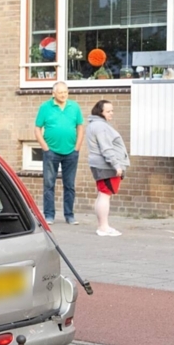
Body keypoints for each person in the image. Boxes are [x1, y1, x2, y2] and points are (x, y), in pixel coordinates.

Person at [34, 81, 85, 224]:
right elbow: (37, 128)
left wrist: (77, 147)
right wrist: (45, 147)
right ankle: (49, 215)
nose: (63, 95)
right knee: (49, 185)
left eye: (65, 92)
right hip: (51, 152)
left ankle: (69, 215)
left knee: (69, 185)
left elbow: (80, 127)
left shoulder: (74, 106)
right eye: (60, 92)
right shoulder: (45, 107)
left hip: (71, 152)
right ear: (53, 93)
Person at [86, 99, 129, 237]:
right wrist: (116, 165)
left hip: (101, 165)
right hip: (106, 166)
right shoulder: (100, 126)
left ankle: (102, 226)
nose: (111, 113)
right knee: (105, 195)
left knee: (102, 195)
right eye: (108, 111)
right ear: (100, 112)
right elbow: (106, 148)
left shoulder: (95, 124)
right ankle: (103, 227)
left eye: (112, 110)